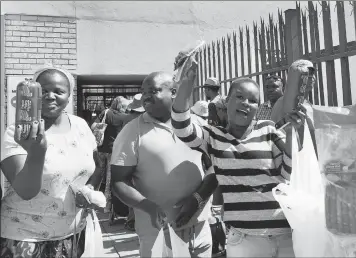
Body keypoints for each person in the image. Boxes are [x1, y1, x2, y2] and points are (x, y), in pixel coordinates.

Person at [171, 55, 306, 257]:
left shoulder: (269, 131)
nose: (245, 103)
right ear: (227, 100)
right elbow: (182, 127)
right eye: (240, 97)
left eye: (253, 101)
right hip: (244, 240)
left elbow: (289, 174)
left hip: (285, 235)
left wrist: (294, 134)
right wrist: (186, 84)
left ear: (258, 108)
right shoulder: (213, 137)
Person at [110, 72, 218, 257]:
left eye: (154, 90)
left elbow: (214, 168)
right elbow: (119, 181)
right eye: (143, 92)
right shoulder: (132, 131)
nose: (145, 96)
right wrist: (149, 208)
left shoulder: (198, 125)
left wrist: (197, 199)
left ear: (174, 92)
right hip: (158, 234)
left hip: (199, 230)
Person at [0, 67, 102, 257]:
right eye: (43, 91)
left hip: (72, 234)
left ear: (69, 95)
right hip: (24, 237)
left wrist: (89, 190)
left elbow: (96, 167)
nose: (50, 96)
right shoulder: (19, 133)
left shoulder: (81, 125)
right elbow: (26, 191)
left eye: (58, 91)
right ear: (33, 94)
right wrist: (37, 153)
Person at [110, 93, 145, 230]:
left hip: (126, 157)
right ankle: (135, 219)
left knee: (132, 187)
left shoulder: (127, 118)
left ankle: (131, 219)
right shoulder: (143, 119)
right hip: (141, 157)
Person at [91, 96, 131, 214]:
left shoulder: (106, 112)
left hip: (100, 148)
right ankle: (106, 207)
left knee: (97, 176)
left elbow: (93, 126)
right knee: (109, 180)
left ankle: (92, 201)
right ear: (122, 106)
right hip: (114, 151)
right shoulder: (125, 117)